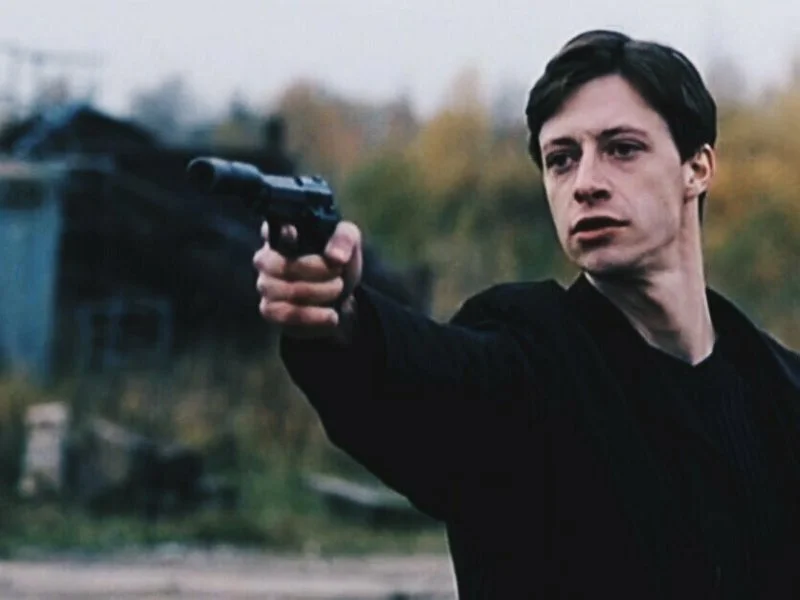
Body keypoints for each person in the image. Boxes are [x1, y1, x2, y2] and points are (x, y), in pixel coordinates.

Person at [252, 29, 800, 599]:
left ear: (697, 168)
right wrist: (340, 319)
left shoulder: (780, 394)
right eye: (561, 160)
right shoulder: (529, 362)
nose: (585, 184)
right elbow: (421, 379)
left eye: (621, 149)